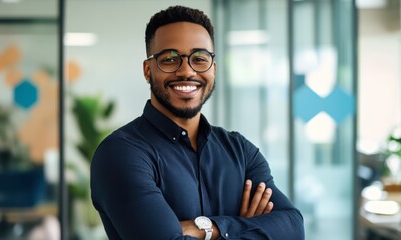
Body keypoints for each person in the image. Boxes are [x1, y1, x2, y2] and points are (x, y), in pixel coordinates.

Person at [90, 5, 304, 240]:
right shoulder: (121, 153)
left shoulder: (240, 151)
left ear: (213, 68)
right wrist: (246, 226)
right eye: (170, 59)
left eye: (199, 58)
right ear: (148, 70)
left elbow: (293, 227)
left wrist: (208, 228)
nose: (187, 71)